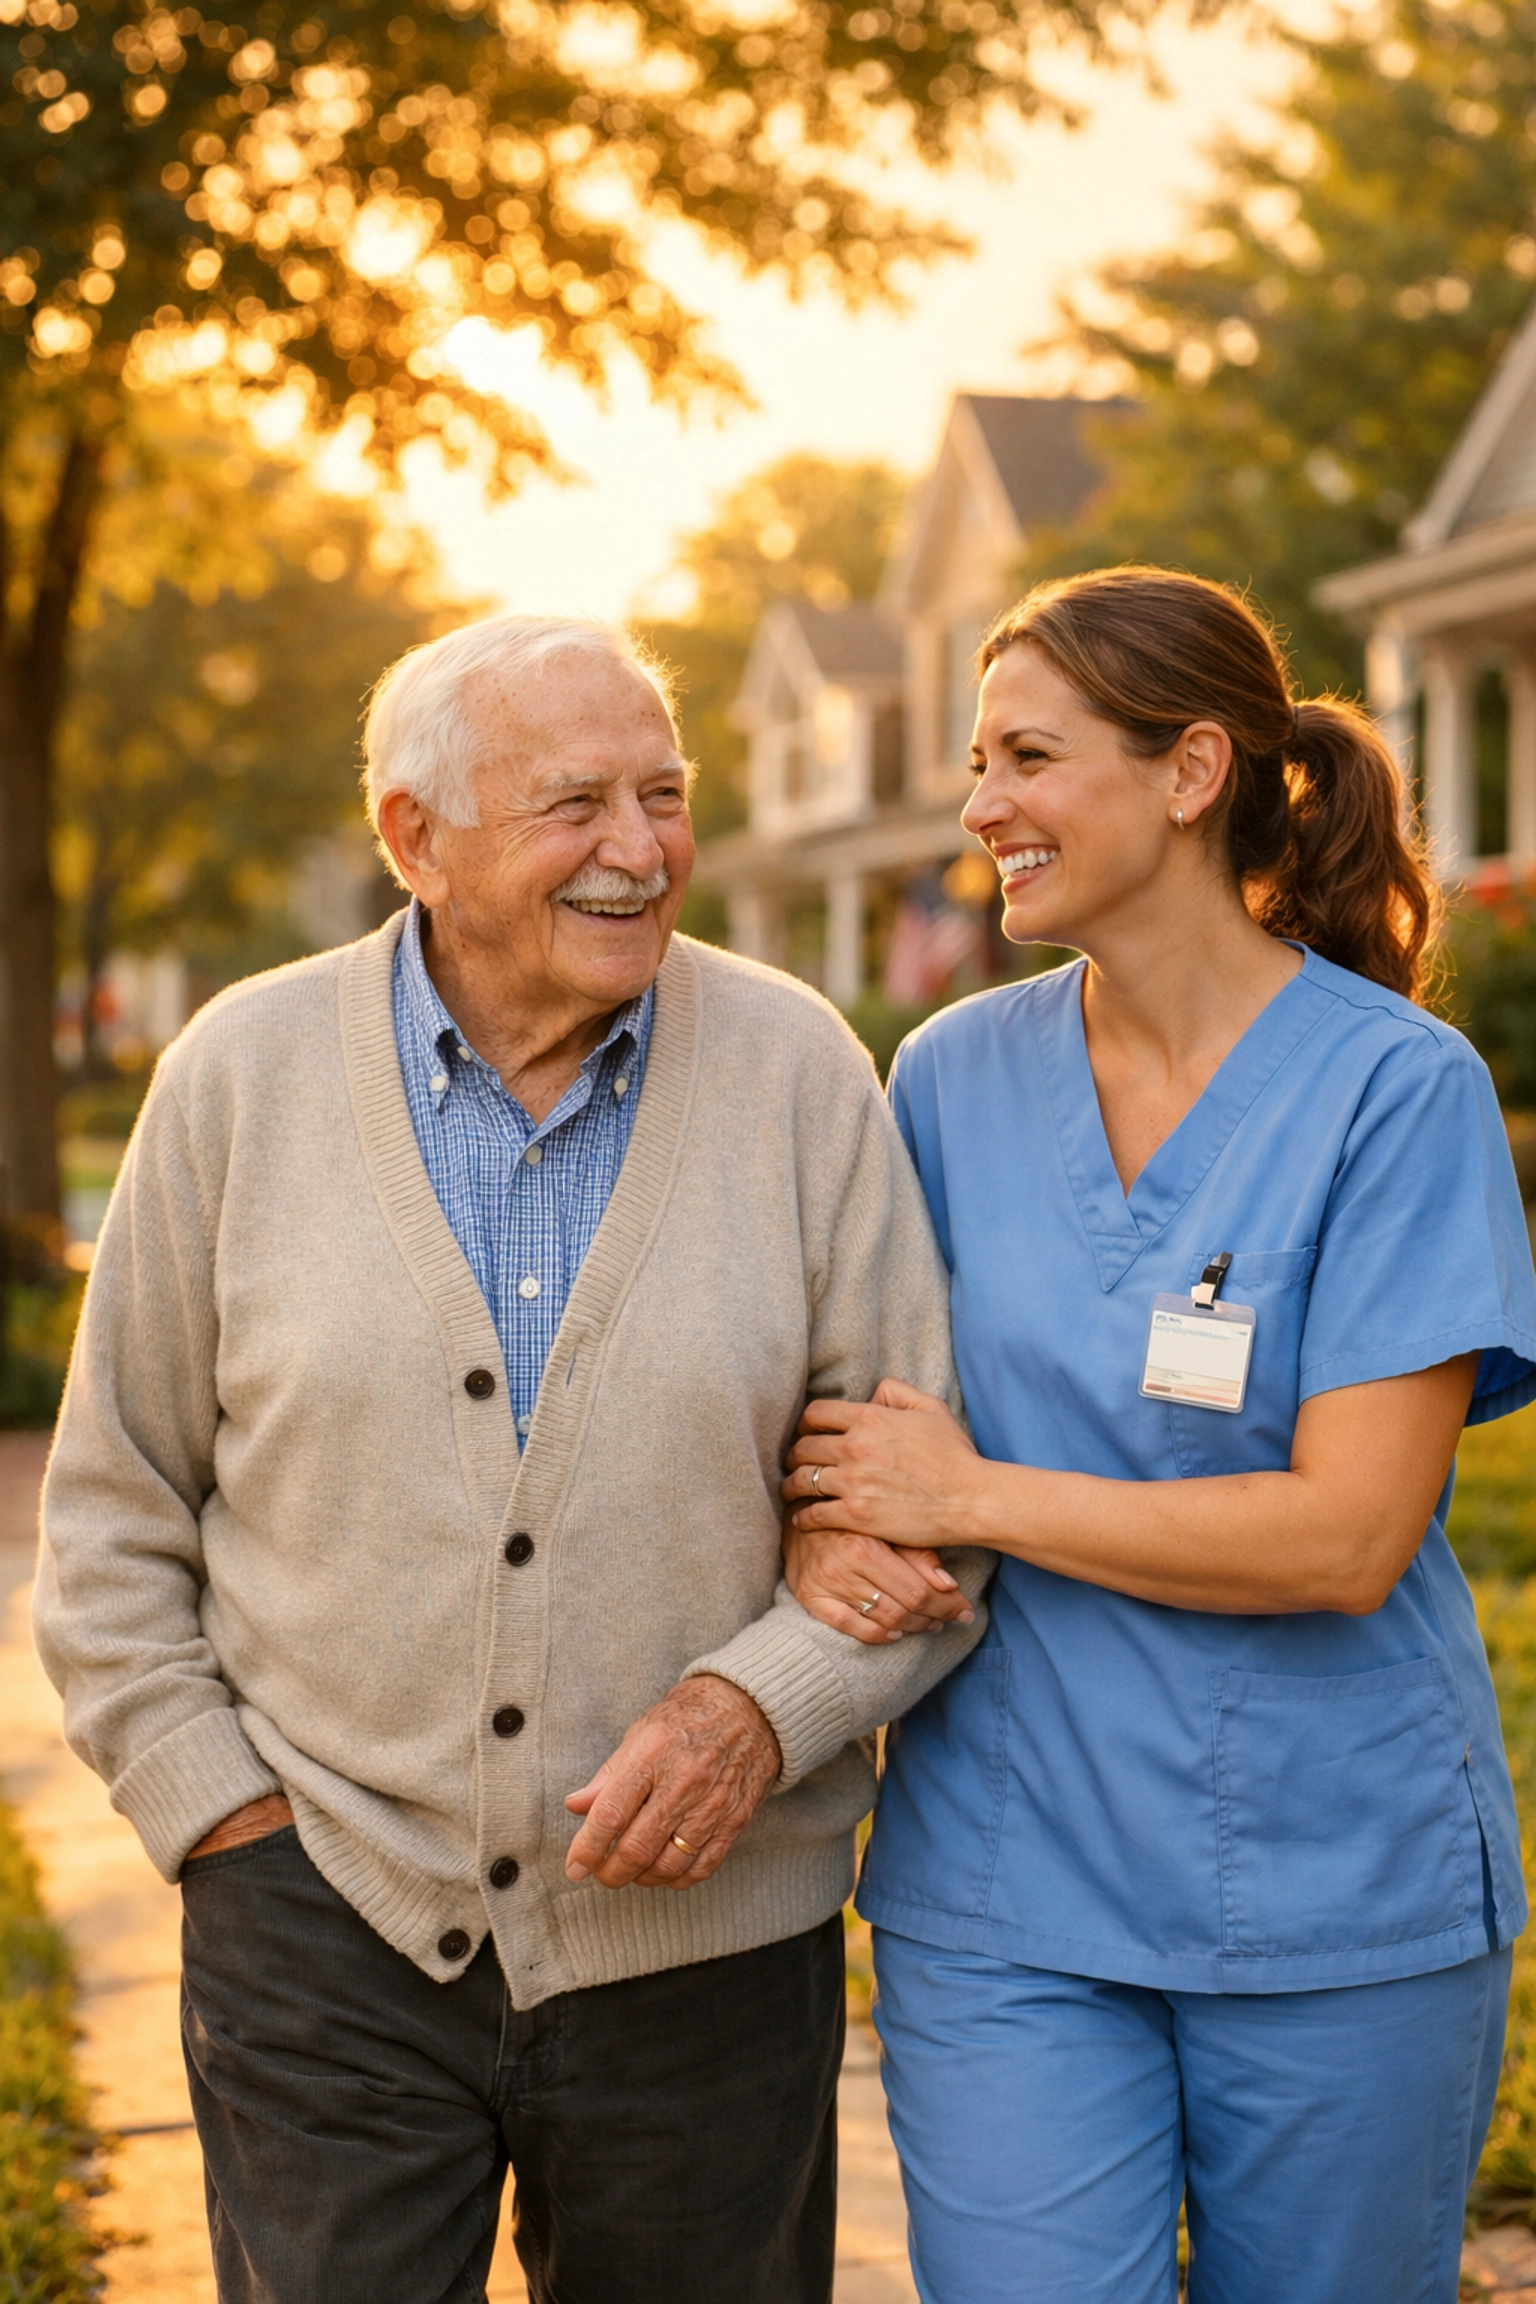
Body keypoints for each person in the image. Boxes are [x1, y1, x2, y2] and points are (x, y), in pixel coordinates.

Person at [33, 613, 986, 2304]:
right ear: (416, 838)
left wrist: (755, 1708)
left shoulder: (795, 1078)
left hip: (713, 1951)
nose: (639, 850)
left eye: (664, 794)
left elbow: (925, 1512)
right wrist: (223, 1829)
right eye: (575, 805)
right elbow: (112, 1518)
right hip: (320, 1928)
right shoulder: (237, 1079)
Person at [780, 568, 1536, 2304]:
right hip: (1006, 1887)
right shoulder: (949, 1082)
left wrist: (976, 1494)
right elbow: (854, 1430)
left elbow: (1348, 1538)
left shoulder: (1395, 1092)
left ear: (1192, 771)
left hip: (1337, 1887)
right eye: (978, 762)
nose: (981, 809)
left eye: (1028, 756)